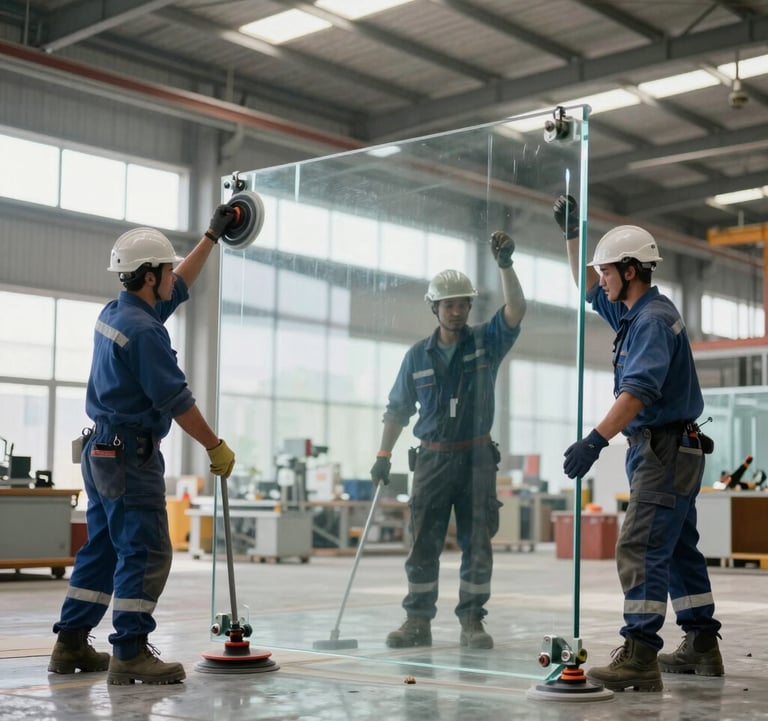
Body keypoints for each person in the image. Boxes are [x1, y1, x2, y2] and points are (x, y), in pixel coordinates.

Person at [48, 207, 238, 685]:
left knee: (105, 548)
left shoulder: (120, 310)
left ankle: (69, 642)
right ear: (152, 276)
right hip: (130, 455)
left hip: (100, 452)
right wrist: (215, 446)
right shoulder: (145, 332)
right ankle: (130, 651)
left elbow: (184, 283)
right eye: (167, 269)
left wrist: (212, 236)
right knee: (147, 550)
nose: (174, 275)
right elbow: (176, 400)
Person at [553, 194, 724, 692]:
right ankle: (701, 643)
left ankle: (640, 654)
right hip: (669, 447)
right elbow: (587, 288)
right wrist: (573, 234)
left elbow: (638, 392)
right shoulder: (634, 311)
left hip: (663, 447)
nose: (601, 278)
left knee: (642, 544)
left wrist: (594, 440)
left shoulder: (649, 322)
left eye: (607, 270)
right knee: (676, 548)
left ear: (630, 270)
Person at [371, 231, 526, 650]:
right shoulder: (416, 357)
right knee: (423, 543)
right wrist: (383, 454)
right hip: (432, 462)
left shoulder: (486, 343)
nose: (457, 311)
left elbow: (516, 309)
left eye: (463, 304)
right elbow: (398, 408)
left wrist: (506, 265)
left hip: (476, 460)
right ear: (434, 307)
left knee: (478, 544)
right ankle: (416, 622)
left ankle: (473, 621)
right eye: (449, 304)